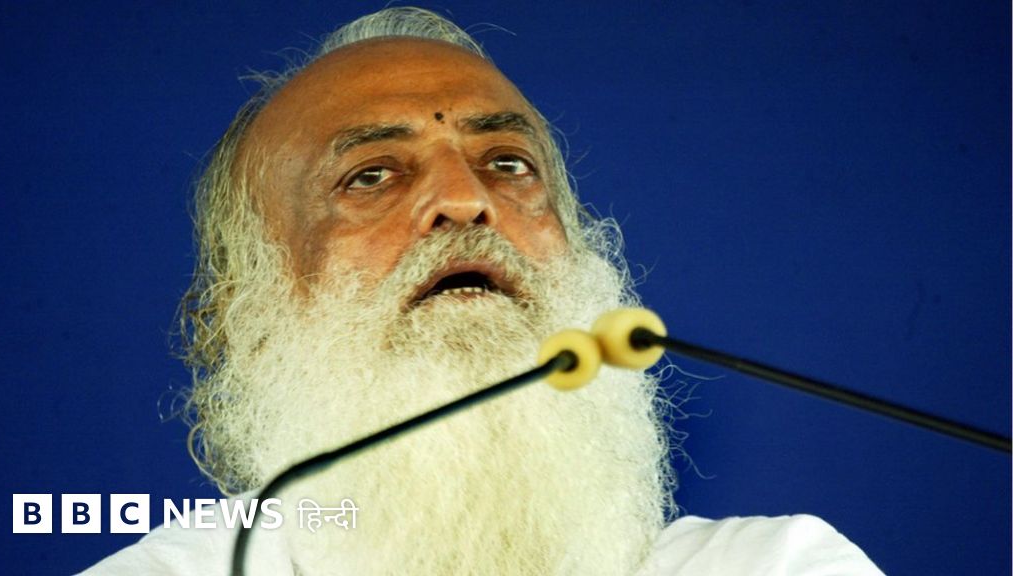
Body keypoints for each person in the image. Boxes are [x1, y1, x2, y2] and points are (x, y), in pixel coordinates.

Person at [82, 7, 884, 575]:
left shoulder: (778, 567)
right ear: (250, 316)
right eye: (371, 176)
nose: (465, 200)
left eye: (507, 163)